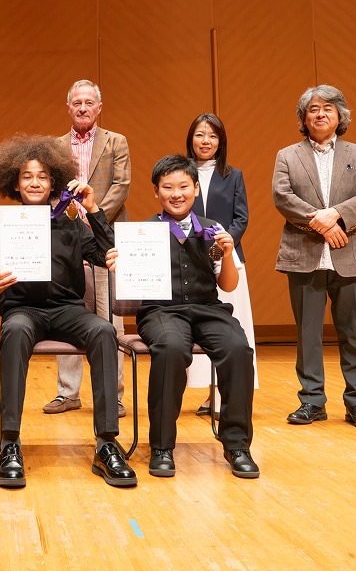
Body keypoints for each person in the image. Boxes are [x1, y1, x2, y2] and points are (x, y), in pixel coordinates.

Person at [0, 135, 136, 489]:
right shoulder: (3, 227)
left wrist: (93, 209)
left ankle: (106, 443)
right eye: (27, 176)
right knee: (14, 331)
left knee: (104, 330)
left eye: (43, 177)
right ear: (15, 184)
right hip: (24, 311)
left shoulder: (72, 224)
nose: (35, 183)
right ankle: (9, 442)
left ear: (54, 183)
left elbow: (109, 255)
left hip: (68, 310)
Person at [108, 155, 258, 479]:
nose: (176, 194)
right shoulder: (142, 233)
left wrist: (227, 253)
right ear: (156, 191)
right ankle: (162, 446)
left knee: (238, 349)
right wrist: (121, 267)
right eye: (168, 187)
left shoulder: (212, 231)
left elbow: (227, 284)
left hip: (208, 309)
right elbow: (131, 286)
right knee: (171, 349)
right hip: (162, 311)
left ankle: (237, 445)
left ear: (195, 189)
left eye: (183, 187)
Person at [273, 84, 356, 429]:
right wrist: (321, 224)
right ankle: (312, 401)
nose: (320, 114)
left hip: (349, 253)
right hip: (303, 253)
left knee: (352, 334)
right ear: (304, 118)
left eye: (328, 108)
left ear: (340, 116)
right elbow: (282, 197)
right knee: (308, 333)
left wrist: (335, 215)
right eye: (313, 109)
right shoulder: (287, 155)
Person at [48, 80, 129, 418]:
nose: (82, 107)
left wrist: (92, 217)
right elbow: (52, 189)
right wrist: (73, 222)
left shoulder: (116, 141)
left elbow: (121, 186)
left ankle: (114, 394)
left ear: (99, 107)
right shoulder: (54, 146)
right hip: (67, 238)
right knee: (68, 309)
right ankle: (68, 393)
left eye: (88, 102)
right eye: (77, 102)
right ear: (68, 107)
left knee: (111, 316)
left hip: (105, 236)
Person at [186, 113, 259, 416]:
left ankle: (228, 394)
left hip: (228, 258)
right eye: (200, 135)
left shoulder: (233, 175)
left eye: (213, 136)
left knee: (231, 326)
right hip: (192, 260)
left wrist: (221, 249)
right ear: (191, 139)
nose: (206, 141)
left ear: (221, 141)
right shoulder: (181, 172)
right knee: (204, 328)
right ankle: (210, 392)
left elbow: (241, 218)